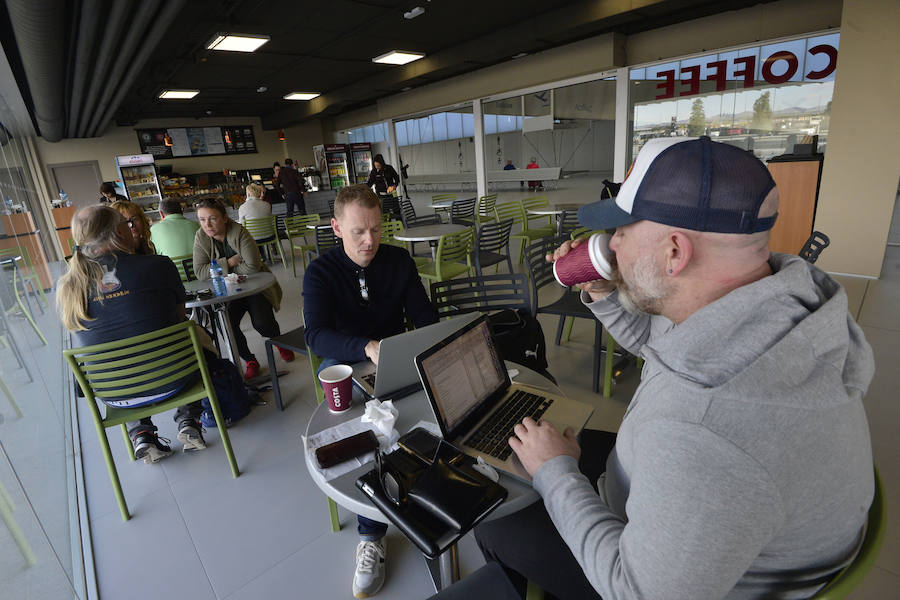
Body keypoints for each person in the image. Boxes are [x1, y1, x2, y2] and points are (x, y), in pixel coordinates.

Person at [434, 137, 875, 600]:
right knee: (545, 445)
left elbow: (637, 590)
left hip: (652, 575)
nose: (611, 243)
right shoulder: (769, 305)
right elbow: (663, 346)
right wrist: (608, 290)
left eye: (623, 229)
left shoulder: (705, 428)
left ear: (674, 253)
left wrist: (556, 474)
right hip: (704, 516)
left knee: (497, 517)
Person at [303, 184, 438, 598]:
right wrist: (365, 347)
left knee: (431, 413)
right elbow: (315, 335)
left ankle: (427, 491)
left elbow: (424, 316)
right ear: (336, 227)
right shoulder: (321, 272)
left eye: (377, 230)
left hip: (395, 357)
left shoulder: (397, 261)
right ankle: (371, 533)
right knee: (367, 434)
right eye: (359, 231)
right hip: (345, 361)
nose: (369, 241)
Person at [56, 205, 206, 463]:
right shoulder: (158, 265)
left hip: (116, 395)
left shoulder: (68, 286)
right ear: (118, 231)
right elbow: (179, 317)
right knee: (197, 336)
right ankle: (188, 419)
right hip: (175, 378)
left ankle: (141, 434)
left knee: (119, 351)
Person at [193, 198, 293, 379]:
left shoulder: (240, 232)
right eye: (202, 219)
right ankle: (249, 360)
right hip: (228, 292)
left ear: (224, 218)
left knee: (262, 322)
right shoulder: (201, 236)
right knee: (226, 326)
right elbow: (200, 272)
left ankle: (280, 343)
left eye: (212, 218)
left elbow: (253, 267)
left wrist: (218, 269)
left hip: (253, 285)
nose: (207, 224)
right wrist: (230, 262)